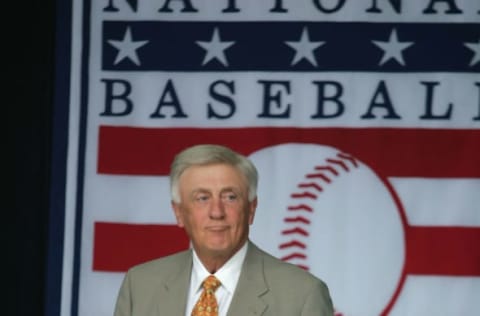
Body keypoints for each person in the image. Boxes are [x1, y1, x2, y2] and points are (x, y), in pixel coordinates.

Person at [113, 144, 334, 316]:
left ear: (251, 209)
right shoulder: (140, 285)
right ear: (179, 212)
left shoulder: (303, 295)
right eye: (202, 198)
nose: (216, 212)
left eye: (230, 197)